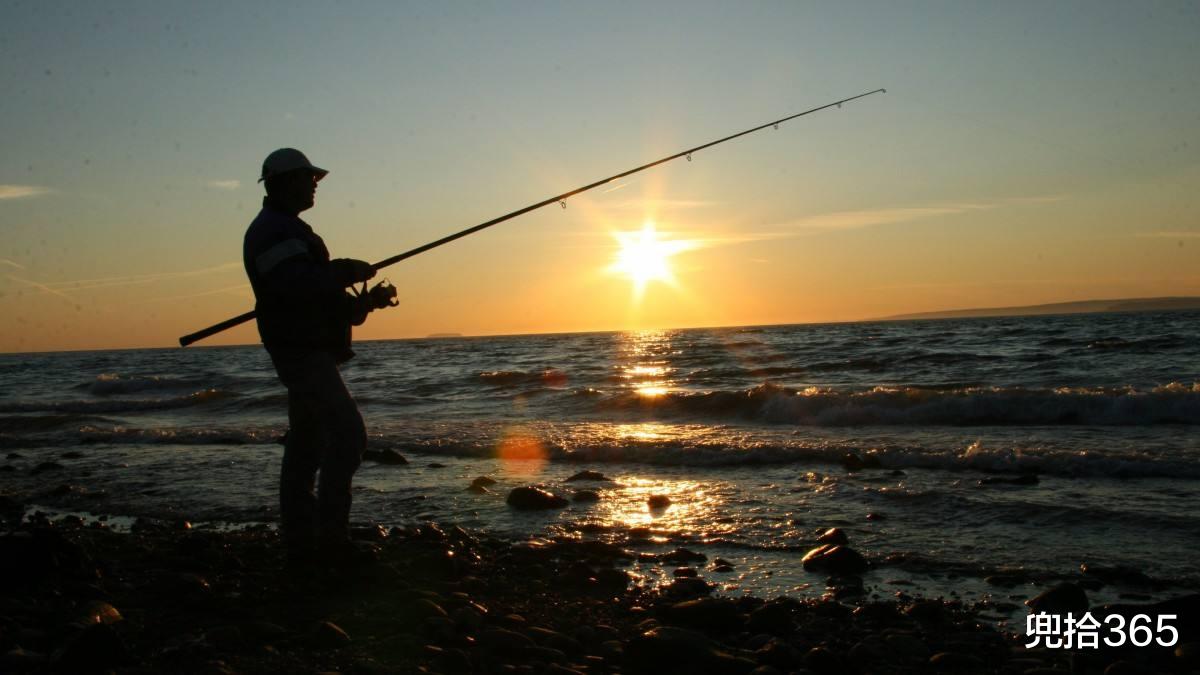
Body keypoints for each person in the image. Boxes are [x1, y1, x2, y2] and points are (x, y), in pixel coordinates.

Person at [242, 148, 396, 566]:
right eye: (308, 178)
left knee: (307, 444)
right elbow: (295, 285)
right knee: (348, 436)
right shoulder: (273, 230)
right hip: (301, 352)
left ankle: (301, 541)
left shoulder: (286, 228)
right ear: (284, 182)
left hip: (308, 348)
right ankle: (329, 539)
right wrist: (345, 268)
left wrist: (367, 302)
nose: (314, 184)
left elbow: (313, 298)